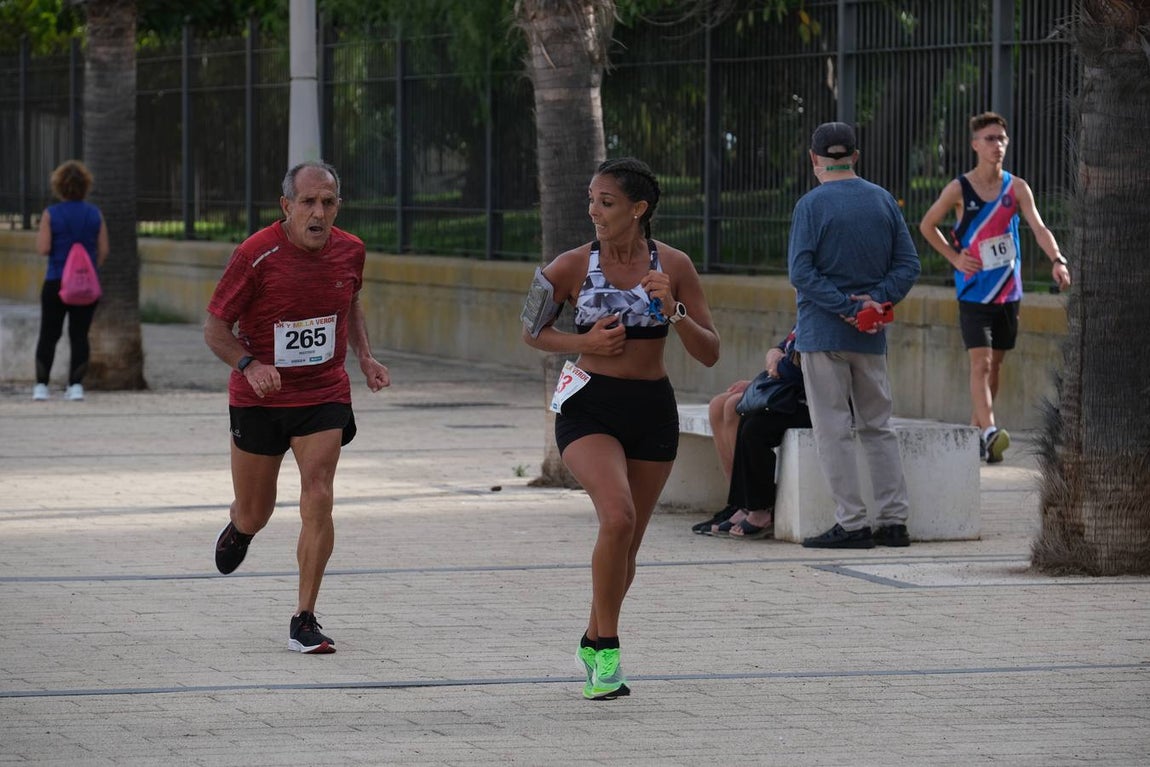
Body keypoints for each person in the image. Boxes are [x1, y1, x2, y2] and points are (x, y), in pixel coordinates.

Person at [521, 157, 720, 700]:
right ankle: (607, 648)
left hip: (652, 409)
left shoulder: (673, 265)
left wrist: (674, 310)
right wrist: (582, 343)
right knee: (618, 515)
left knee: (627, 542)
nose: (594, 211)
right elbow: (531, 330)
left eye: (606, 202)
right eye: (591, 200)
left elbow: (710, 352)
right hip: (588, 406)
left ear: (639, 208)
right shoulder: (568, 265)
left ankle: (591, 636)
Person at [204, 161, 390, 654]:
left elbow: (349, 300)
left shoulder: (351, 250)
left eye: (327, 203)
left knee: (319, 495)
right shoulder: (256, 254)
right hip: (259, 398)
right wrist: (249, 364)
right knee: (256, 511)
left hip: (323, 392)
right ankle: (241, 527)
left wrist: (364, 357)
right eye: (308, 202)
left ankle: (304, 617)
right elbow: (214, 329)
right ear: (287, 206)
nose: (318, 212)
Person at [787, 122, 921, 549]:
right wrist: (873, 302)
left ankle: (852, 523)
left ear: (814, 159)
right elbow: (909, 264)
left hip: (822, 333)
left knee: (833, 429)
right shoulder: (883, 201)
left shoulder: (810, 205)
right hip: (871, 334)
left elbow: (801, 271)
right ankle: (894, 521)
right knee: (878, 426)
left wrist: (843, 307)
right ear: (856, 157)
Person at [919, 111, 1071, 464]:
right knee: (981, 364)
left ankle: (978, 433)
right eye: (990, 139)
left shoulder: (1016, 188)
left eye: (1002, 139)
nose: (997, 145)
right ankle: (990, 432)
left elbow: (1039, 227)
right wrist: (955, 258)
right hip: (973, 292)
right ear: (975, 145)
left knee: (996, 366)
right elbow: (928, 225)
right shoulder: (960, 188)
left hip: (1008, 293)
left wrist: (1058, 259)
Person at [692, 325, 812, 539]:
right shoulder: (806, 310)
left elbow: (798, 368)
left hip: (803, 397)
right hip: (787, 387)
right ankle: (739, 500)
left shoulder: (821, 309)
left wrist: (772, 366)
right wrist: (773, 355)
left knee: (734, 407)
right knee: (718, 404)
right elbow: (784, 348)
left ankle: (750, 503)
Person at [33, 160, 110, 401]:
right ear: (86, 186)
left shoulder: (51, 214)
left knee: (49, 334)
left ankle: (41, 387)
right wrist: (85, 271)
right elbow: (103, 250)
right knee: (79, 334)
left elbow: (44, 248)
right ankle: (75, 386)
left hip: (56, 281)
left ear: (58, 186)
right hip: (86, 286)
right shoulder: (94, 214)